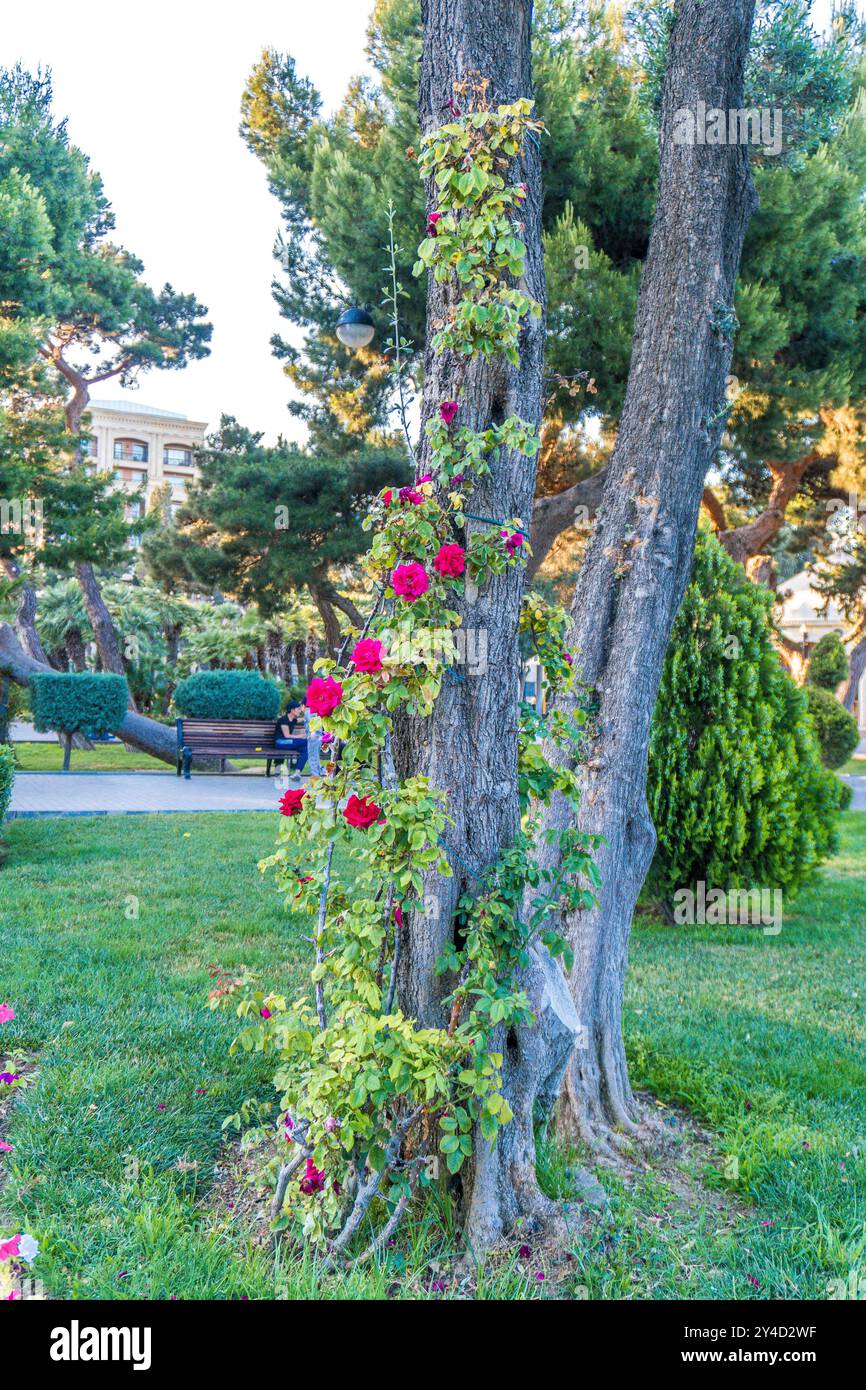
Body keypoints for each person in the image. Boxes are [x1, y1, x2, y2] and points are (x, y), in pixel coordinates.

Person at [274, 702, 308, 773]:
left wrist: (310, 716)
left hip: (288, 742)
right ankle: (278, 769)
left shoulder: (293, 720)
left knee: (306, 749)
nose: (300, 711)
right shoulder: (283, 720)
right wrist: (301, 736)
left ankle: (297, 771)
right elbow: (287, 736)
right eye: (298, 709)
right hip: (280, 742)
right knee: (305, 742)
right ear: (292, 710)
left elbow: (303, 718)